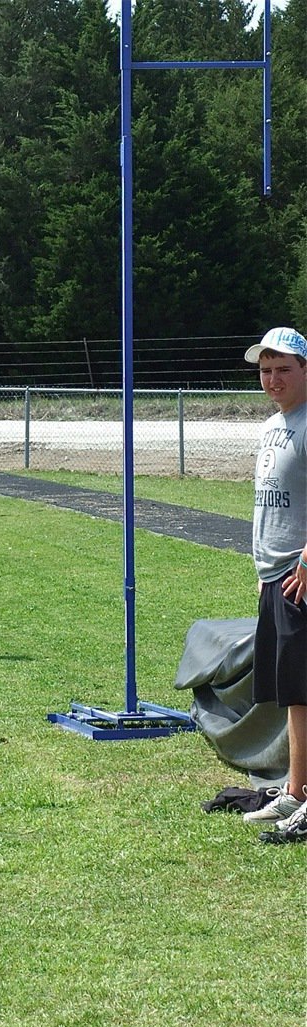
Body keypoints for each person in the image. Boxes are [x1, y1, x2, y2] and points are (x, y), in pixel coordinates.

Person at [236, 327, 307, 845]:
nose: (273, 378)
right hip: (272, 574)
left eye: (284, 368)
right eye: (266, 369)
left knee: (304, 691)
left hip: (298, 577)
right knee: (290, 692)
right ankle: (294, 789)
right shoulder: (272, 427)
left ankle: (301, 797)